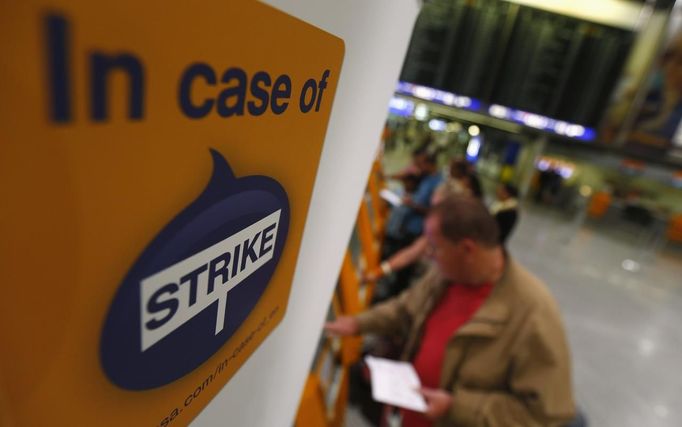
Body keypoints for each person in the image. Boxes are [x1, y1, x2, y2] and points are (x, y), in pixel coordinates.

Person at [327, 196, 576, 426]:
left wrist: (457, 407)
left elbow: (544, 413)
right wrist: (358, 323)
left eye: (435, 247)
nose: (429, 254)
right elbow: (405, 310)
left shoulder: (533, 312)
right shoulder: (446, 275)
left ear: (467, 249)